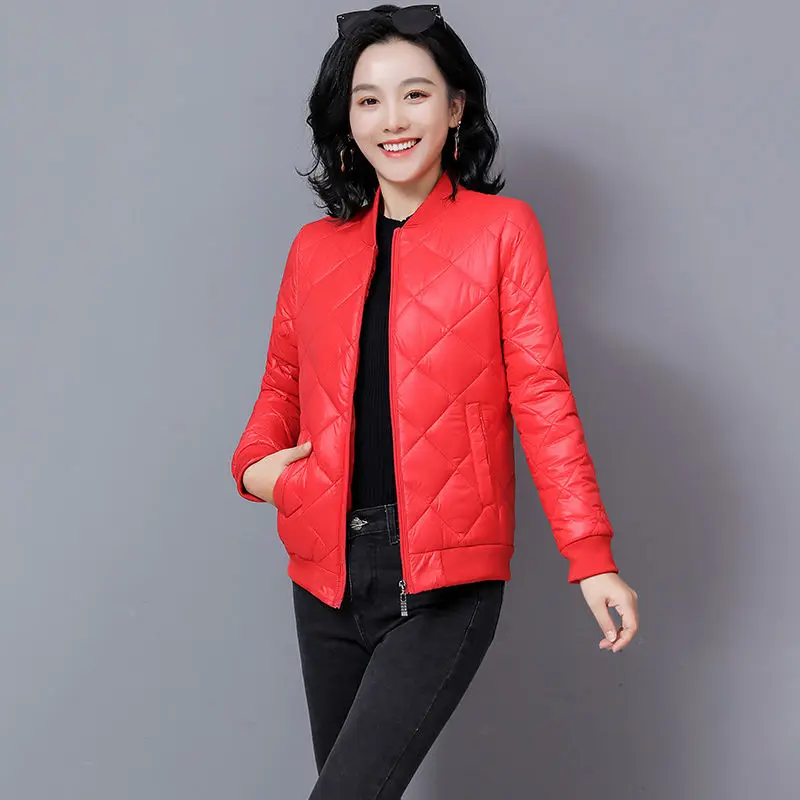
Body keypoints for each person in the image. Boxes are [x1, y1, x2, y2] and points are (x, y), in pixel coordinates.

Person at [231, 4, 640, 797]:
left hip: (444, 579)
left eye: (415, 94)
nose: (392, 119)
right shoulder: (314, 249)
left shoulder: (503, 231)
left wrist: (591, 556)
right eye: (369, 99)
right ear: (347, 119)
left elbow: (541, 396)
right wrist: (257, 471)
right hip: (324, 574)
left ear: (455, 108)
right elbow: (280, 387)